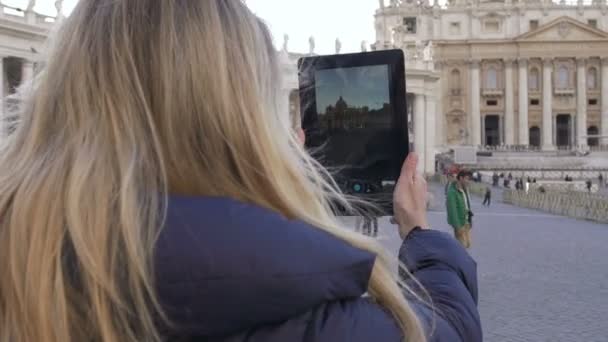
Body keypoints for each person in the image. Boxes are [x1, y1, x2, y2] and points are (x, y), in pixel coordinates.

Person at [0, 2, 481, 342]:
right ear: (247, 118)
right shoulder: (292, 294)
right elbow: (447, 329)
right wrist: (418, 232)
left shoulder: (23, 259)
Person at [447, 171, 474, 248]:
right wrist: (457, 227)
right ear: (461, 178)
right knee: (462, 248)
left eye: (469, 179)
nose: (468, 181)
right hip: (460, 224)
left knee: (468, 244)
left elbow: (467, 205)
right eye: (467, 179)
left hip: (466, 222)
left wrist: (470, 219)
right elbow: (452, 210)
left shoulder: (465, 190)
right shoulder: (452, 192)